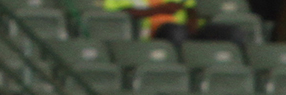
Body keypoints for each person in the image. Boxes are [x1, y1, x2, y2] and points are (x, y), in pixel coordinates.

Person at [101, 0, 249, 44]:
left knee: (232, 33)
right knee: (175, 31)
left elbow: (190, 7)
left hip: (186, 29)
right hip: (151, 33)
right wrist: (158, 10)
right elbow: (117, 12)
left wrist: (193, 23)